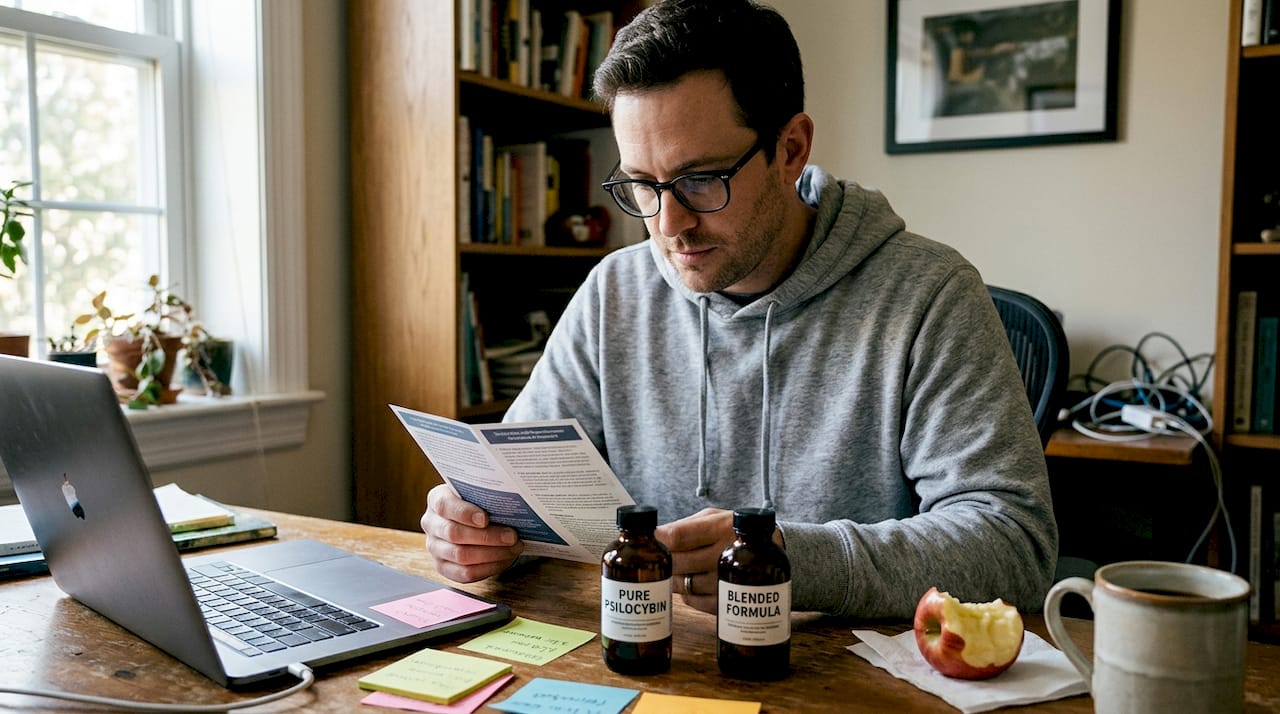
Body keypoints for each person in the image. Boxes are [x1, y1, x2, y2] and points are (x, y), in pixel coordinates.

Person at [422, 0, 1058, 619]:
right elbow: (521, 489)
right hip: (644, 651)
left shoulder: (929, 294)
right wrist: (478, 529)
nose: (668, 224)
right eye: (641, 184)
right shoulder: (614, 291)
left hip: (838, 669)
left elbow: (1014, 546)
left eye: (701, 179)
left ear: (791, 150)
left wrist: (789, 560)